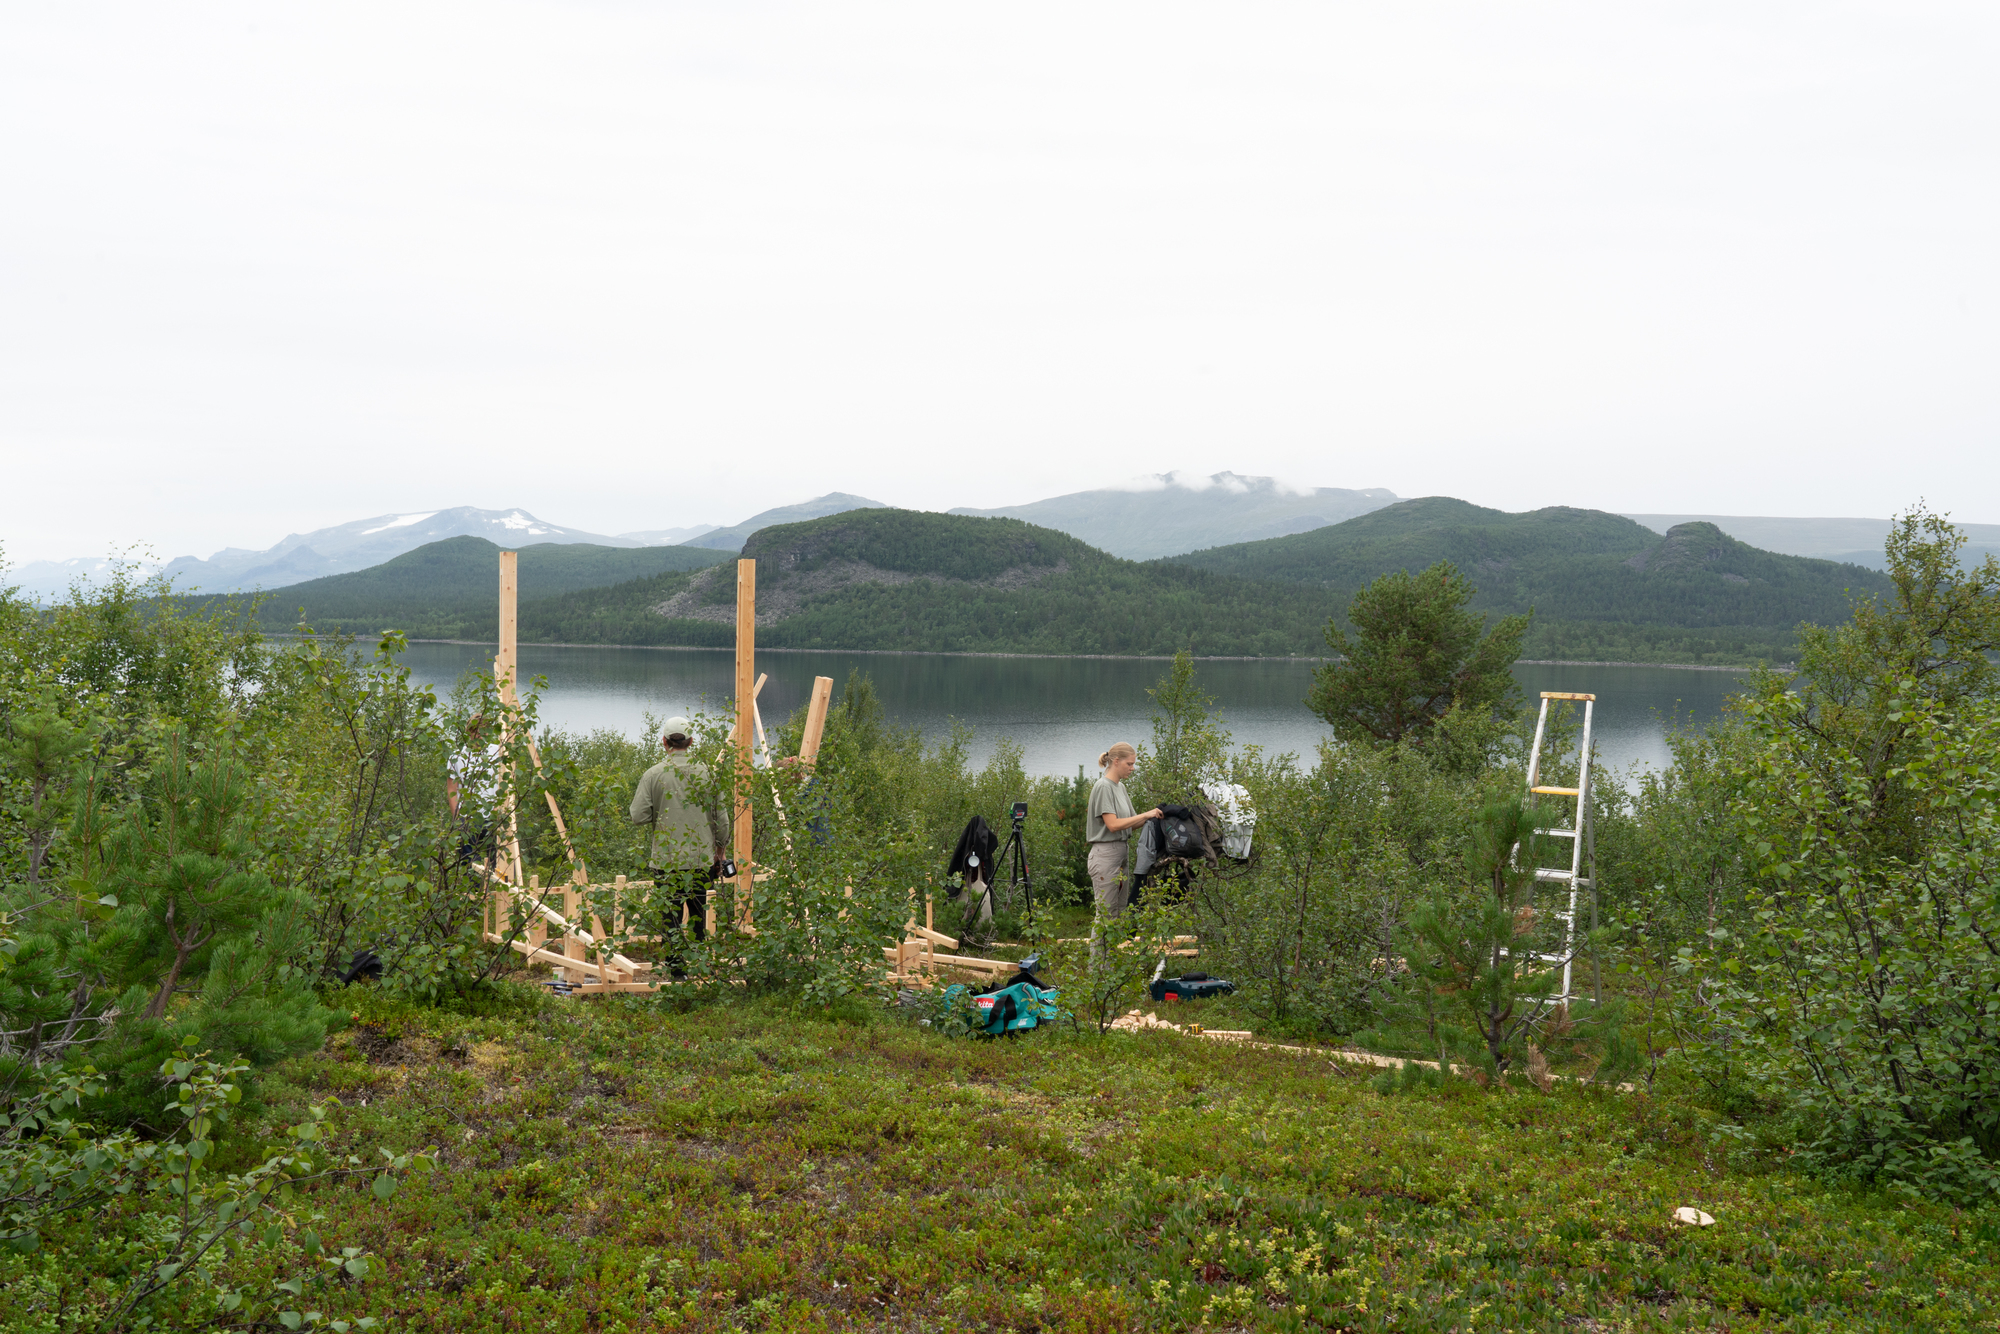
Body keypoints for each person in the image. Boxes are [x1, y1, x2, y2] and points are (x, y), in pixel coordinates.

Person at [628, 717, 730, 971]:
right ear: (691, 742)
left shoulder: (653, 775)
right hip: (701, 859)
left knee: (670, 916)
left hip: (667, 860)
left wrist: (662, 811)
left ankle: (676, 970)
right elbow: (723, 821)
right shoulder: (708, 773)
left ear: (664, 742)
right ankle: (699, 966)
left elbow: (637, 816)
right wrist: (720, 852)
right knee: (698, 915)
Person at [1085, 742, 1162, 922]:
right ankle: (1098, 951)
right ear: (1117, 761)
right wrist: (1146, 814)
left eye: (1134, 764)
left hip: (1121, 853)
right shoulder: (1104, 786)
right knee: (1105, 915)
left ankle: (1112, 951)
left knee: (1119, 912)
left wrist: (1155, 815)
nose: (1133, 768)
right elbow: (1112, 825)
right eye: (1130, 764)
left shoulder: (1120, 787)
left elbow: (1132, 823)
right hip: (1105, 854)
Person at [447, 715, 503, 876]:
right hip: (468, 818)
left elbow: (507, 782)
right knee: (470, 864)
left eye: (484, 731)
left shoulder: (498, 751)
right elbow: (452, 788)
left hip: (494, 815)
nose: (480, 735)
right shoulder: (457, 757)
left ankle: (500, 898)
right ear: (469, 732)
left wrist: (501, 810)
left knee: (501, 863)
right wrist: (457, 818)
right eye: (476, 731)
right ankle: (474, 897)